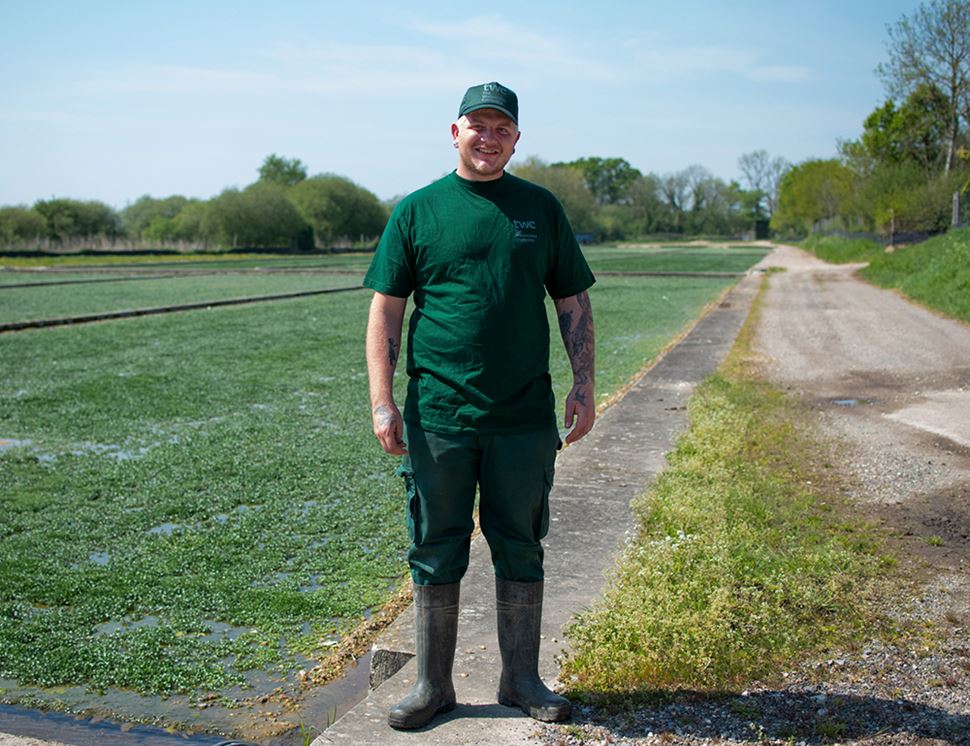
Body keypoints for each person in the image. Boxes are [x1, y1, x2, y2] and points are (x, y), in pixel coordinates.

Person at [364, 81, 596, 731]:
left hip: (523, 418)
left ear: (516, 139)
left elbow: (573, 303)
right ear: (454, 132)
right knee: (435, 547)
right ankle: (431, 686)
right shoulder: (417, 212)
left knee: (520, 544)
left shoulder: (540, 210)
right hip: (437, 416)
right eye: (478, 126)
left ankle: (521, 679)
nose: (488, 138)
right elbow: (387, 308)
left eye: (501, 128)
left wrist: (583, 386)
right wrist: (384, 403)